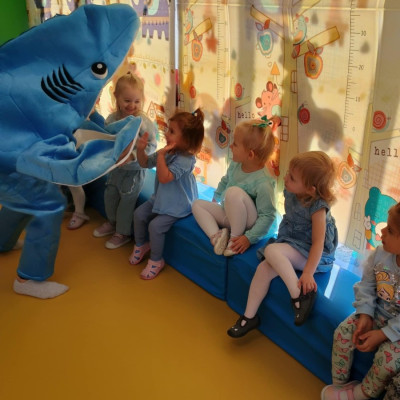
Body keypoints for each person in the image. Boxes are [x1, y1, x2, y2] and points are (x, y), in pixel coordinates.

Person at [227, 151, 338, 337]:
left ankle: (299, 296)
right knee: (263, 268)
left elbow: (318, 243)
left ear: (311, 189)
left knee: (272, 251)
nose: (286, 178)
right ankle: (249, 317)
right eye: (288, 173)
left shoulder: (318, 207)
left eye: (292, 178)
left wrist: (308, 273)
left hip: (314, 255)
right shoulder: (292, 191)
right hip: (293, 243)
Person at [321, 202, 400, 400]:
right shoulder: (380, 254)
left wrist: (383, 334)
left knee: (387, 362)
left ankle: (359, 394)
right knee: (343, 333)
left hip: (397, 331)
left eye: (390, 230)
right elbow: (366, 285)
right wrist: (365, 314)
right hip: (376, 314)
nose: (382, 231)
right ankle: (340, 385)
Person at [128, 108, 204, 279]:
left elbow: (164, 178)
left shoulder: (186, 160)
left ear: (186, 140)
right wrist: (140, 150)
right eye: (168, 129)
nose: (166, 133)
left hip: (178, 204)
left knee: (155, 227)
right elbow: (145, 163)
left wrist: (161, 156)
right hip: (161, 198)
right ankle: (141, 245)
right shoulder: (167, 151)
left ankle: (156, 261)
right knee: (139, 214)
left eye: (172, 131)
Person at [192, 117, 276, 256]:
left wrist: (248, 238)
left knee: (233, 192)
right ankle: (217, 237)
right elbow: (225, 180)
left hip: (249, 224)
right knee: (197, 205)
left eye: (235, 144)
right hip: (231, 215)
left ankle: (234, 239)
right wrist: (216, 198)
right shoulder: (236, 164)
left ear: (250, 154)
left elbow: (267, 216)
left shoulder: (263, 183)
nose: (230, 146)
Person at [92, 72, 157, 249]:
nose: (132, 105)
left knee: (126, 202)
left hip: (134, 171)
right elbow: (107, 139)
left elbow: (152, 145)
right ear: (116, 97)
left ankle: (122, 233)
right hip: (115, 168)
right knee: (110, 195)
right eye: (127, 100)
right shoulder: (112, 119)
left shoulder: (143, 122)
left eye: (137, 101)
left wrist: (135, 155)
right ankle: (112, 222)